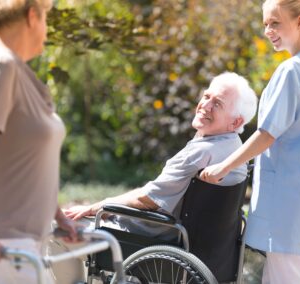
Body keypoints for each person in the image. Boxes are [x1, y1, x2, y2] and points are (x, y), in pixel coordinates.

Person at [50, 72, 257, 284]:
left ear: (236, 121)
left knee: (56, 231)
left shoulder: (201, 152)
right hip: (211, 253)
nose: (205, 105)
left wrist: (98, 207)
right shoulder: (235, 150)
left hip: (157, 238)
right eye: (206, 97)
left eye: (218, 103)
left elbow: (147, 200)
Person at [199, 1, 300, 283]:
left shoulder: (293, 71)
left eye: (275, 23)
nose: (268, 31)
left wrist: (222, 167)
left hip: (289, 199)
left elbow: (267, 134)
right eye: (265, 24)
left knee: (286, 275)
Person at [0, 0, 78, 283]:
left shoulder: (0, 62)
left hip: (16, 239)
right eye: (46, 19)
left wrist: (56, 214)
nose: (46, 30)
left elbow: (19, 153)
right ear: (32, 16)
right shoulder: (1, 65)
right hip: (4, 242)